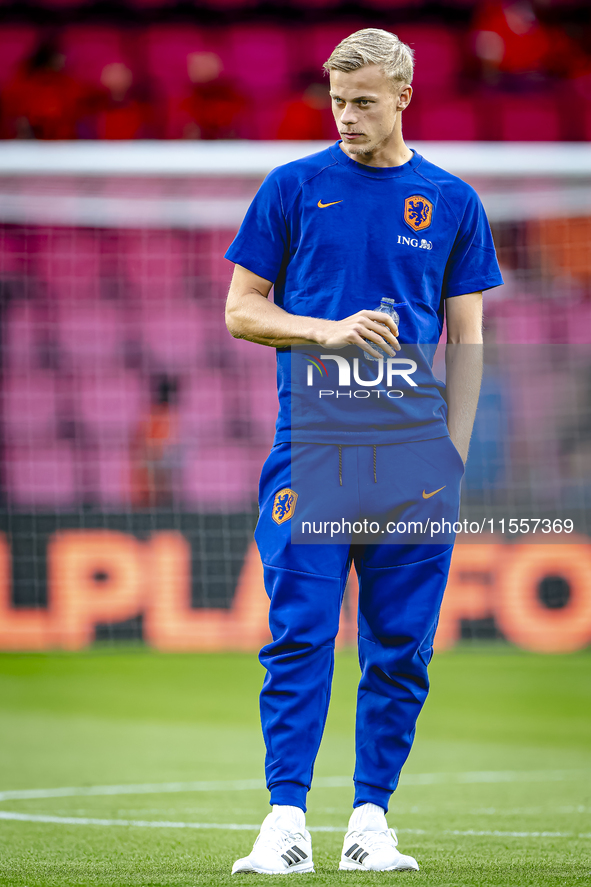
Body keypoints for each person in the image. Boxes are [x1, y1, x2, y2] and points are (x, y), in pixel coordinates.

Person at [224, 28, 503, 874]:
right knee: (299, 635)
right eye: (337, 100)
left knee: (402, 647)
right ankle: (283, 821)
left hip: (413, 462)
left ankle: (371, 819)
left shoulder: (450, 201)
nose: (346, 115)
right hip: (312, 449)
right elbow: (242, 310)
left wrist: (449, 460)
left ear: (403, 98)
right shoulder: (292, 187)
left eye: (364, 101)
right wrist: (323, 329)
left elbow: (468, 341)